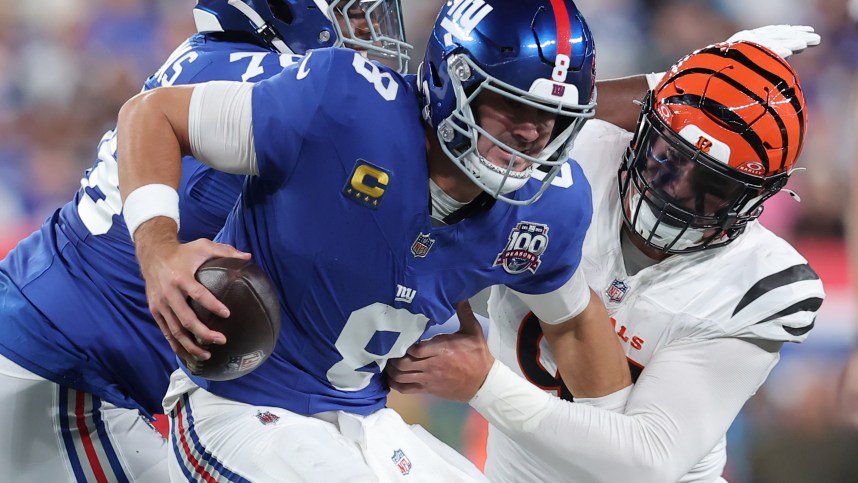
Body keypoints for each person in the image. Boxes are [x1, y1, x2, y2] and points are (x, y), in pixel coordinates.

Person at [115, 0, 640, 480]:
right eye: (511, 106)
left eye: (551, 118)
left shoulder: (552, 207)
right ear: (448, 80)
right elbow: (152, 114)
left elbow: (573, 321)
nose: (531, 134)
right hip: (238, 408)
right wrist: (158, 248)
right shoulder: (342, 104)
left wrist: (610, 444)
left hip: (364, 419)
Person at [0, 1, 411, 481]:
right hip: (62, 364)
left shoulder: (216, 59)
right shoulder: (286, 87)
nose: (369, 34)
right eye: (354, 15)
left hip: (65, 345)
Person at [387, 39, 826, 483]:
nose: (676, 194)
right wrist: (683, 83)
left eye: (714, 185)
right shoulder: (582, 156)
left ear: (760, 196)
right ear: (641, 128)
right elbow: (510, 110)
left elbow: (647, 461)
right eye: (668, 158)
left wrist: (483, 383)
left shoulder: (761, 285)